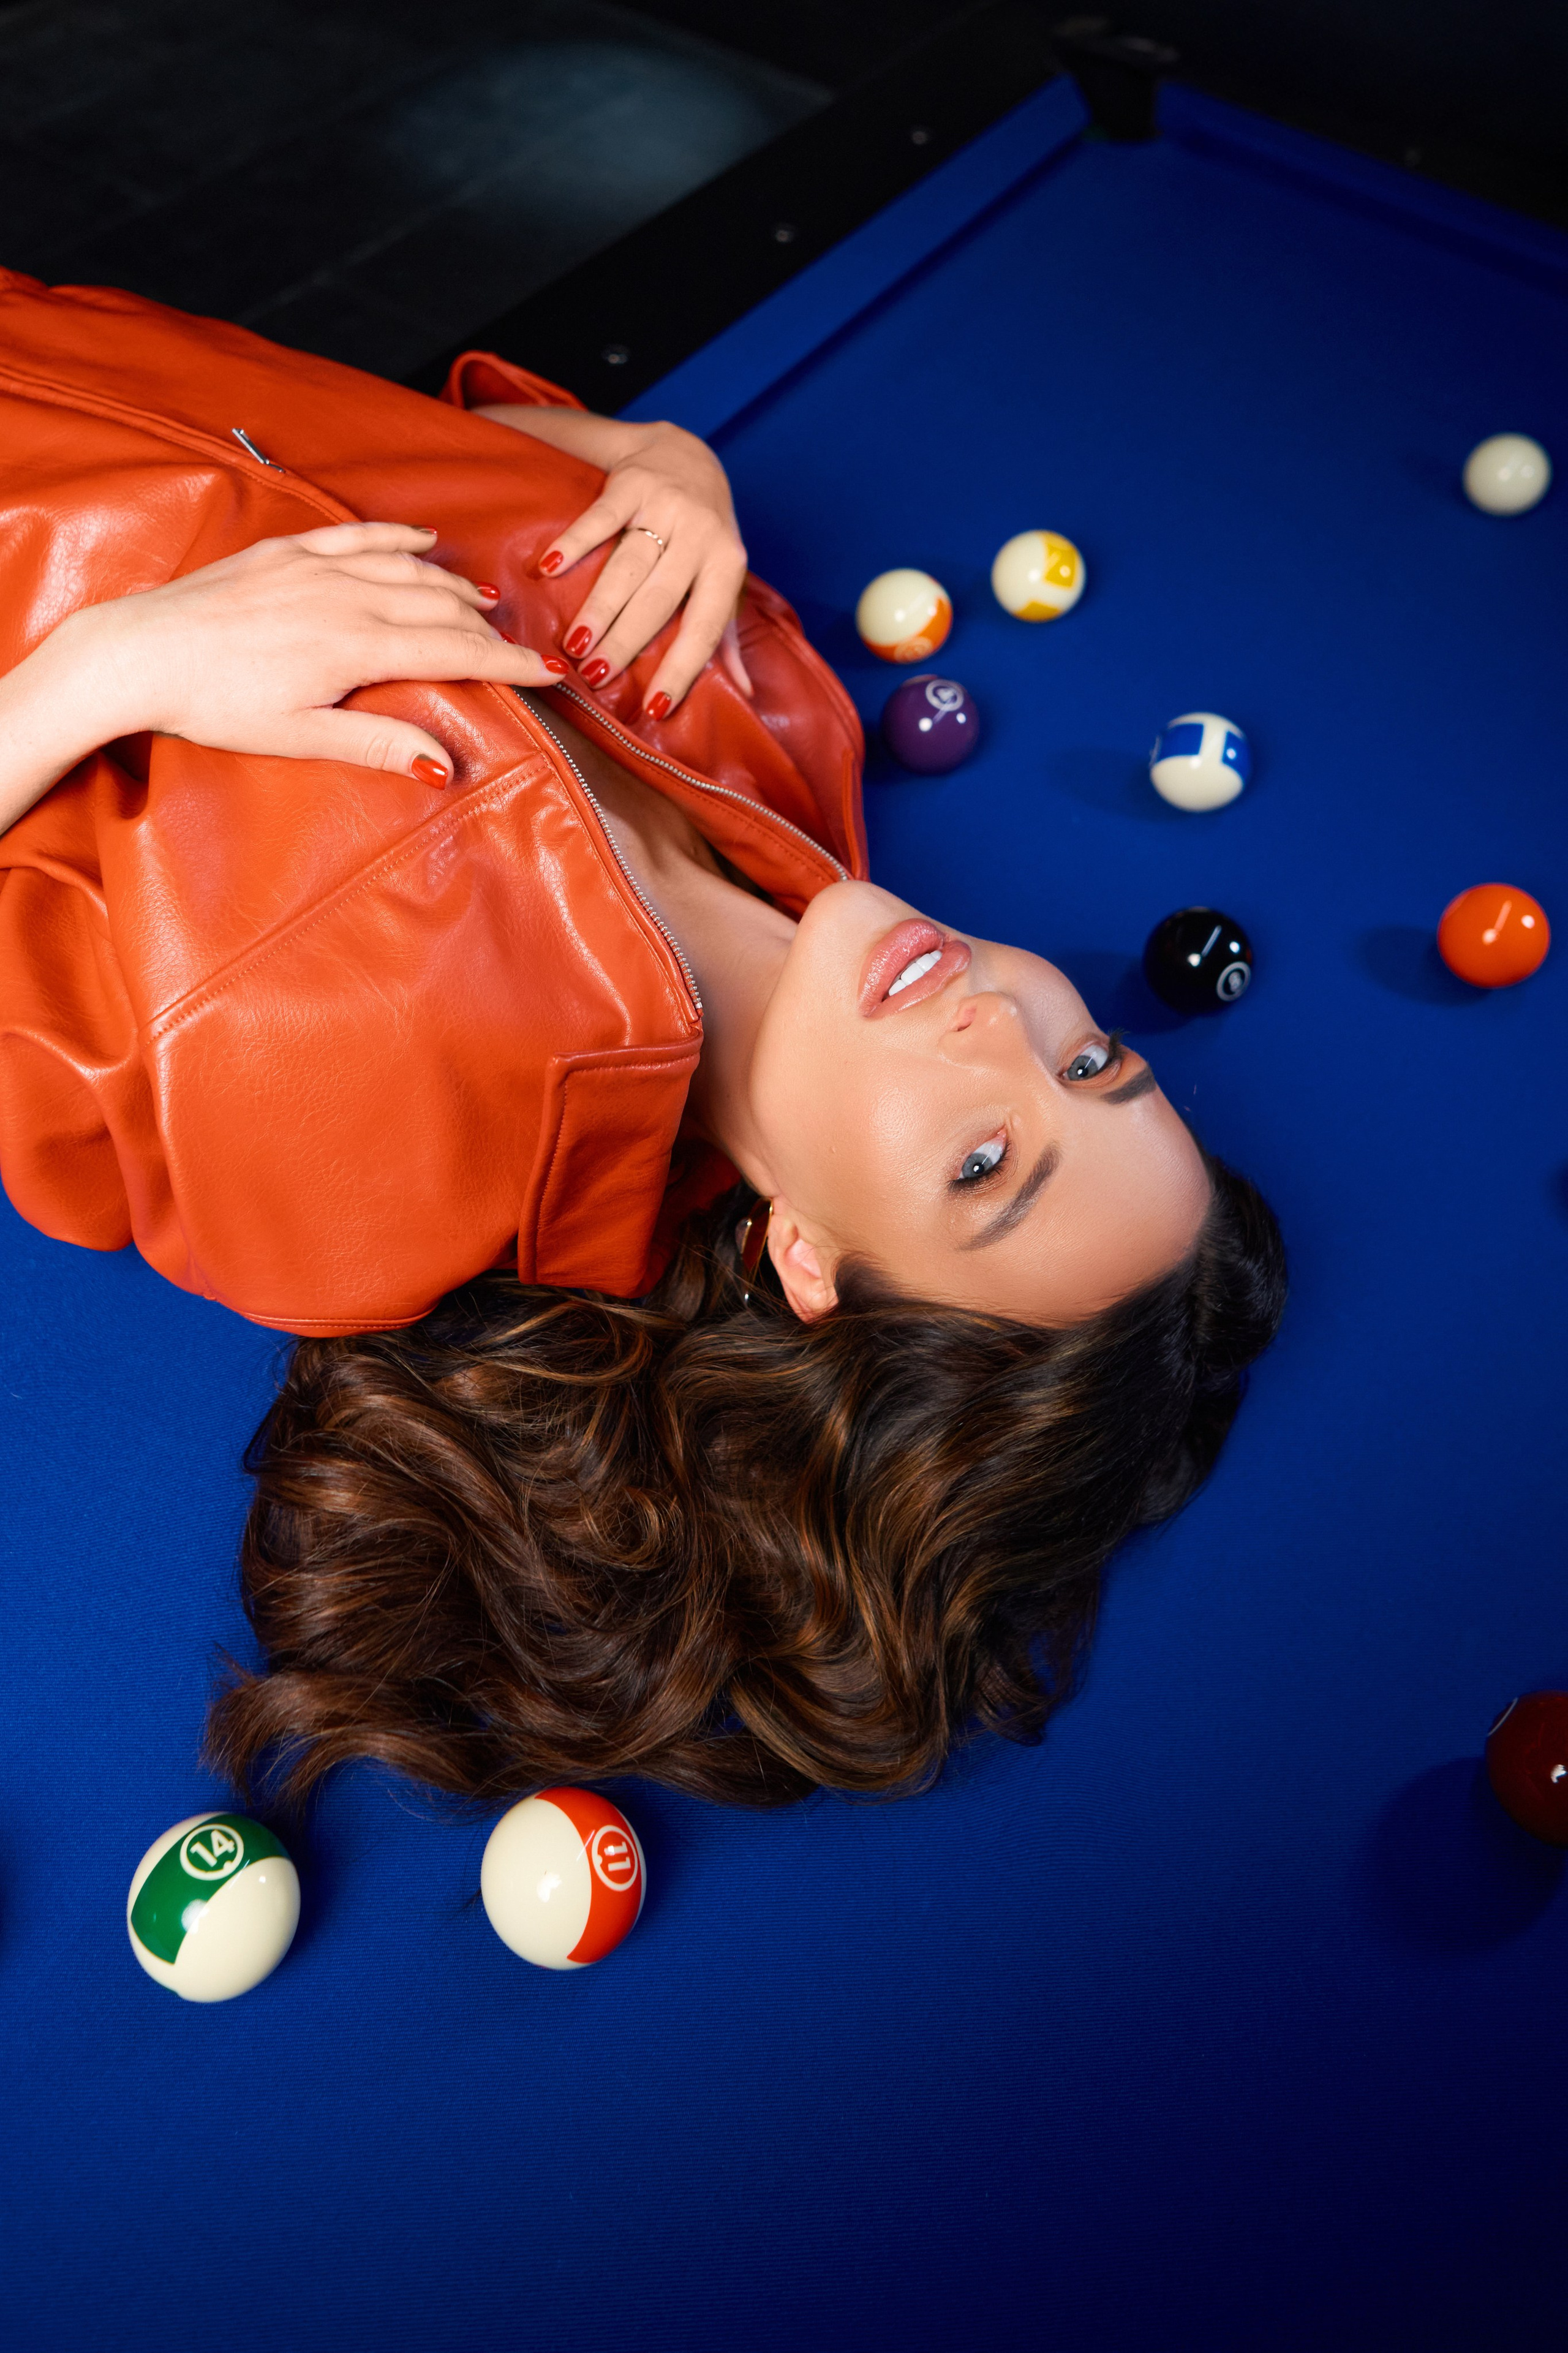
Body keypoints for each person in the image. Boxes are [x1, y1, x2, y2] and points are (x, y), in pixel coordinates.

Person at [0, 273, 1286, 1807]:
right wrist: (640, 456)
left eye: (987, 1158)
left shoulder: (382, 1144)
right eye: (1090, 1066)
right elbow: (368, 443)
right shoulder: (779, 715)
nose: (999, 1027)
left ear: (808, 1261)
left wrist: (102, 677)